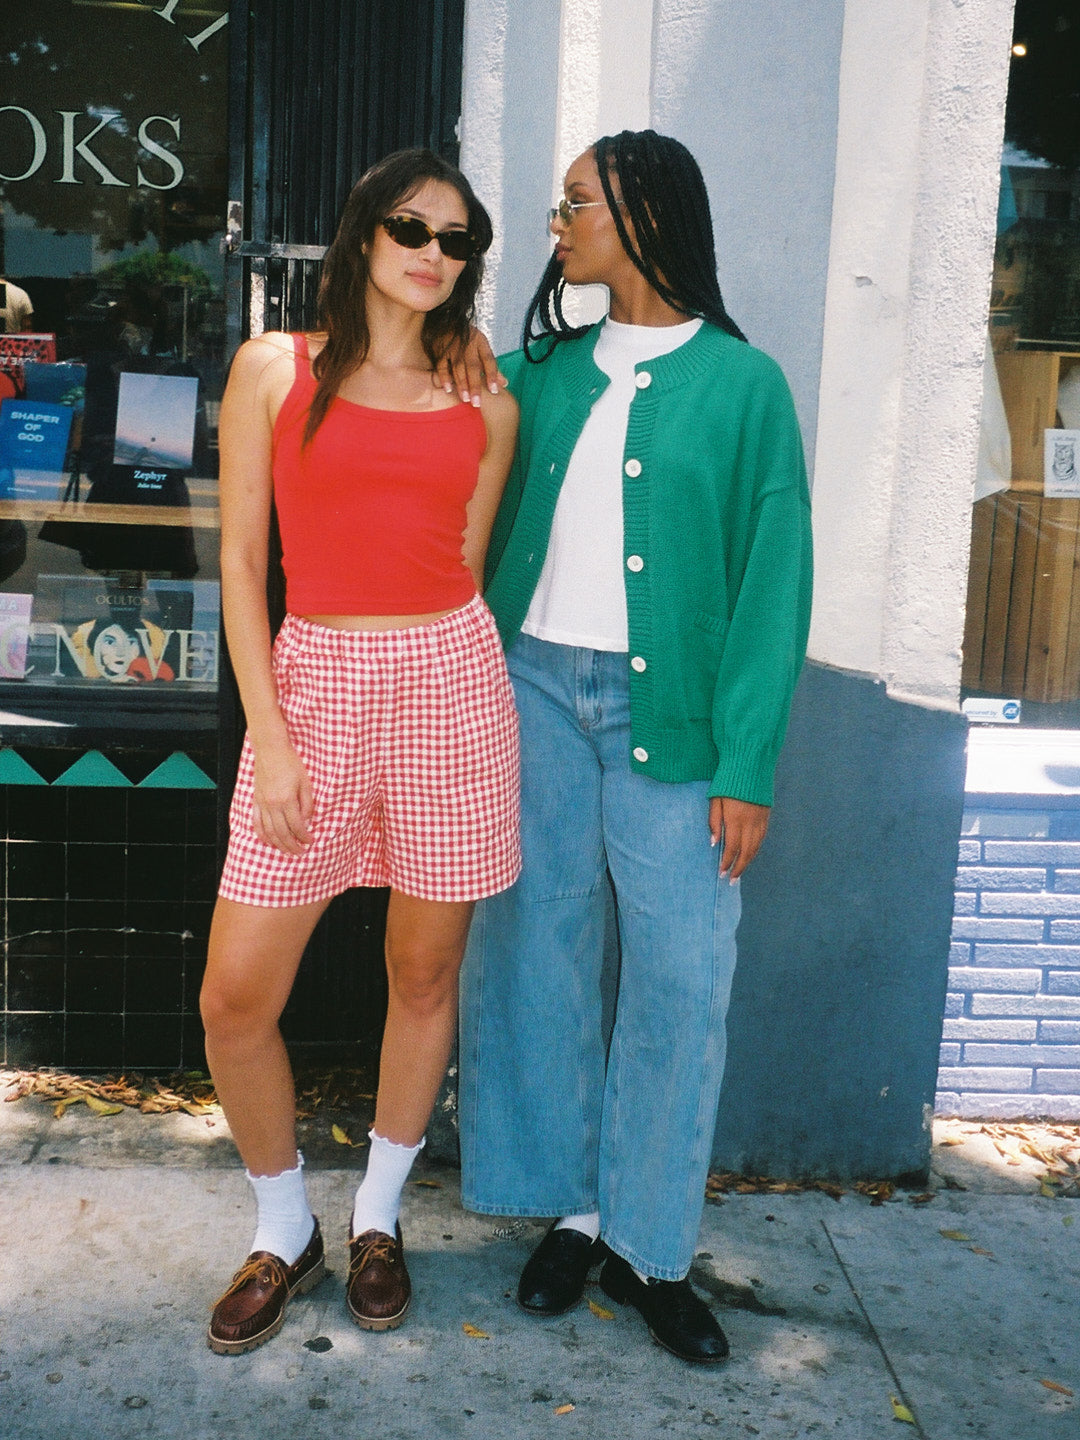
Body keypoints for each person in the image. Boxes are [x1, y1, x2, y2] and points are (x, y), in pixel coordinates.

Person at [457, 129, 812, 1364]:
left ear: (646, 215)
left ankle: (651, 1245)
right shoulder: (538, 370)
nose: (557, 225)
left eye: (577, 205)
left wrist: (749, 766)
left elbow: (774, 584)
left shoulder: (745, 385)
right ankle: (573, 1212)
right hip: (531, 691)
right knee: (536, 951)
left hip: (676, 721)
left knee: (681, 975)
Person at [199, 148, 520, 1355]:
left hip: (450, 685)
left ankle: (378, 1216)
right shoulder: (273, 369)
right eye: (412, 228)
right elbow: (242, 563)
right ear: (364, 233)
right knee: (235, 995)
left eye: (458, 240)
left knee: (423, 975)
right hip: (313, 686)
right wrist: (271, 736)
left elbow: (463, 568)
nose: (435, 253)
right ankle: (284, 1227)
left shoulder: (486, 400)